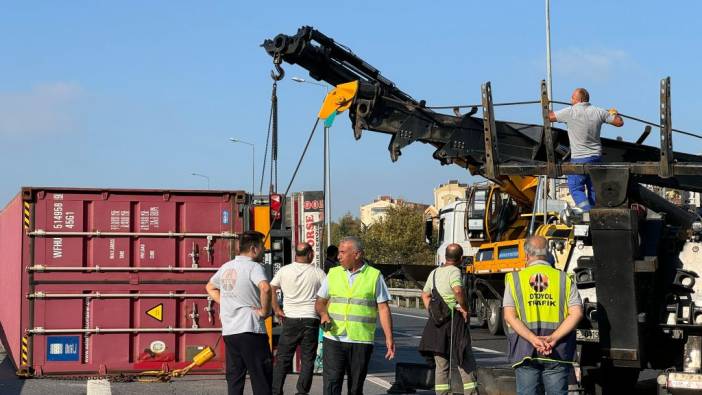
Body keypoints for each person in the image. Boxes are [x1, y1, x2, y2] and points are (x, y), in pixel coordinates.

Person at [503, 236, 583, 395]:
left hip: (525, 351)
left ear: (526, 255)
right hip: (558, 351)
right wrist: (552, 339)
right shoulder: (565, 279)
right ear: (548, 254)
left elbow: (509, 316)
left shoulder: (514, 279)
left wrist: (534, 340)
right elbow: (577, 313)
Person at [315, 236, 395, 395]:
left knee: (355, 387)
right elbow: (320, 301)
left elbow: (383, 308)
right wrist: (323, 314)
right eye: (339, 252)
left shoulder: (374, 276)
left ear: (357, 254)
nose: (339, 256)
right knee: (331, 384)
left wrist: (389, 338)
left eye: (343, 252)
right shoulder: (333, 273)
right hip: (334, 338)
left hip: (361, 340)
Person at [206, 230, 272, 395]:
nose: (263, 251)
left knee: (235, 377)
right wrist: (264, 311)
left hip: (230, 331)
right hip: (250, 329)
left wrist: (227, 302)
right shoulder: (254, 267)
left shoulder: (226, 267)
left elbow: (209, 287)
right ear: (253, 249)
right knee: (261, 377)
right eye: (261, 247)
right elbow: (265, 287)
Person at [548, 88, 624, 212]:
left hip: (579, 159)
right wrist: (614, 114)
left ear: (580, 99)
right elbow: (619, 122)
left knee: (575, 188)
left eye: (572, 97)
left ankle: (587, 212)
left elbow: (549, 117)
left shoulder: (570, 112)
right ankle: (595, 213)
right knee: (593, 188)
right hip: (596, 158)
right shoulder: (599, 112)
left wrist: (546, 106)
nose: (570, 100)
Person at [418, 243, 477, 395]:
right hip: (454, 321)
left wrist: (432, 311)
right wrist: (464, 307)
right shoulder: (455, 271)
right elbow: (457, 290)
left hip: (437, 325)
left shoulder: (435, 273)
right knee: (464, 358)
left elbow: (424, 295)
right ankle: (471, 393)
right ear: (461, 258)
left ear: (445, 256)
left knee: (441, 364)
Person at [271, 242, 327, 395]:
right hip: (311, 320)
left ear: (296, 254)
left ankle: (276, 392)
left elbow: (271, 288)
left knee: (283, 359)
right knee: (308, 359)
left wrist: (276, 309)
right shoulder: (318, 273)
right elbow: (328, 295)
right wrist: (324, 313)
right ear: (310, 254)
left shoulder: (284, 271)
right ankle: (301, 393)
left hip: (290, 320)